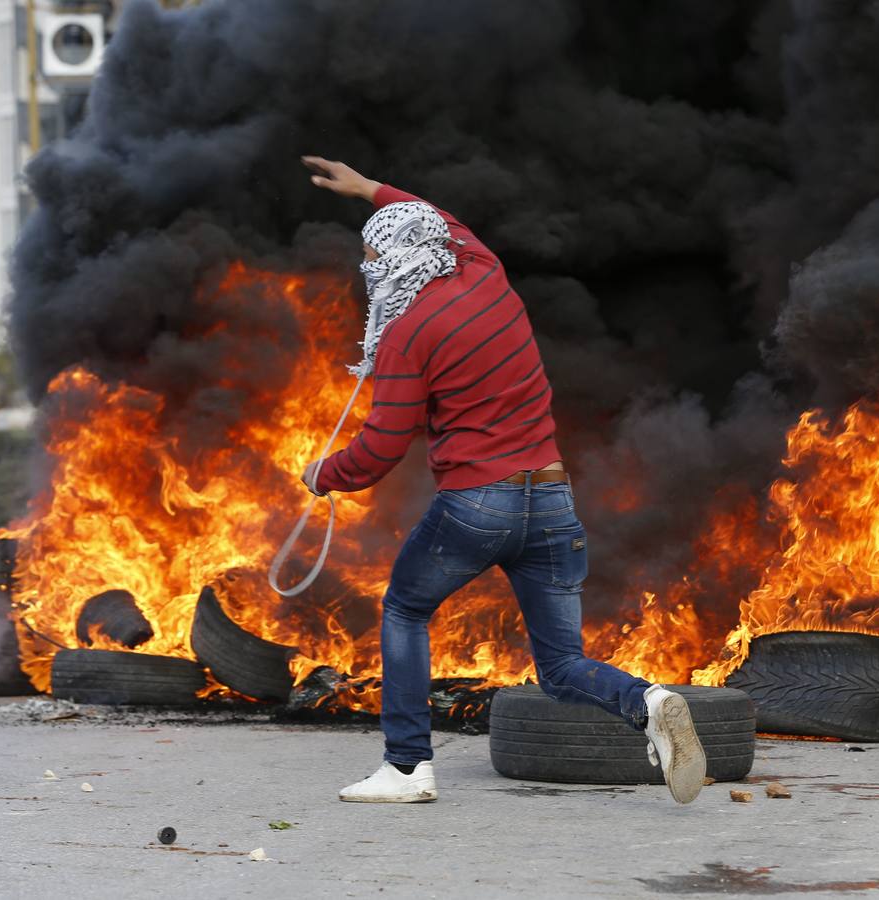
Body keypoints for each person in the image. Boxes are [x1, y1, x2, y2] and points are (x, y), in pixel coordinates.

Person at [299, 156, 707, 805]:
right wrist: (368, 188)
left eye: (375, 256)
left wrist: (324, 475)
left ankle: (407, 770)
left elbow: (381, 446)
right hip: (550, 500)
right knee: (563, 668)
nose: (371, 268)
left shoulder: (408, 333)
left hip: (477, 506)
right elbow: (441, 221)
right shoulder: (482, 268)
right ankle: (650, 701)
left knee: (405, 608)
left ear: (396, 264)